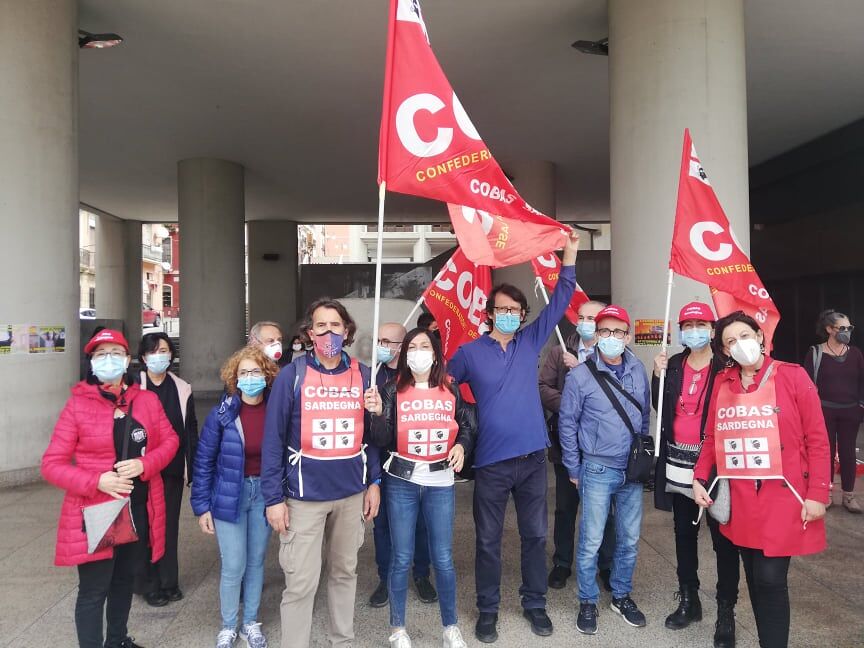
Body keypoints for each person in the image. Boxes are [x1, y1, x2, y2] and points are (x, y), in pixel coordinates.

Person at [447, 230, 580, 642]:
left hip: (533, 459)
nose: (508, 314)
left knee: (534, 535)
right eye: (500, 309)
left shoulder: (530, 341)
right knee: (487, 540)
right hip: (490, 462)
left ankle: (534, 604)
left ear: (522, 315)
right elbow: (440, 387)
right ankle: (487, 610)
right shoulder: (469, 352)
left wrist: (569, 253)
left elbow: (561, 297)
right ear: (489, 313)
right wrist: (462, 425)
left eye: (515, 310)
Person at [693, 311, 830, 648]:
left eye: (744, 336)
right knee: (755, 576)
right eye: (729, 342)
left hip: (784, 496)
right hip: (740, 497)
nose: (739, 344)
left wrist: (818, 493)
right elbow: (711, 438)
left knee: (770, 578)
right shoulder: (723, 384)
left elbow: (818, 439)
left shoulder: (793, 377)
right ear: (724, 351)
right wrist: (698, 477)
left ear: (760, 336)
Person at [41, 329, 179, 648]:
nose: (109, 360)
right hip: (98, 511)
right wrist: (96, 480)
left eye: (115, 353)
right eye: (100, 354)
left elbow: (171, 440)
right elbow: (51, 464)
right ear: (91, 362)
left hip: (138, 507)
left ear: (128, 359)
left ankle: (117, 640)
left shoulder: (146, 400)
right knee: (94, 590)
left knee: (123, 581)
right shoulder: (78, 406)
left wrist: (147, 464)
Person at [261, 298, 382, 648]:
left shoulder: (365, 375)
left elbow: (373, 440)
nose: (329, 332)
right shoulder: (291, 376)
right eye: (321, 326)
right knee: (301, 582)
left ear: (347, 331)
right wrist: (273, 499)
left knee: (345, 573)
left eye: (335, 325)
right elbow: (273, 441)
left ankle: (341, 641)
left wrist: (373, 482)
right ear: (310, 332)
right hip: (303, 499)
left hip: (350, 495)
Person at [365, 327, 478, 648]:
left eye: (424, 346)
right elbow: (382, 439)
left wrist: (462, 446)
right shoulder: (390, 390)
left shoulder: (450, 388)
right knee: (401, 558)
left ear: (436, 352)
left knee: (443, 558)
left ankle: (450, 627)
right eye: (411, 346)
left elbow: (468, 423)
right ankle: (398, 629)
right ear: (404, 355)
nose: (417, 352)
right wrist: (375, 415)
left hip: (441, 482)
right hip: (401, 481)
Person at [558, 305, 651, 636]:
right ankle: (587, 600)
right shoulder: (580, 376)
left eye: (618, 332)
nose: (612, 338)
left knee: (629, 539)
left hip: (632, 471)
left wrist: (642, 455)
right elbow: (567, 425)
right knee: (591, 540)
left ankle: (621, 595)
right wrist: (572, 465)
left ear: (627, 336)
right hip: (596, 468)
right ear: (596, 335)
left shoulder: (637, 370)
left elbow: (643, 417)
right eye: (605, 331)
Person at [652, 303, 740, 647]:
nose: (694, 330)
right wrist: (657, 375)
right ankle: (689, 599)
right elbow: (662, 405)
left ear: (713, 329)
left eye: (701, 324)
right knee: (683, 535)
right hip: (677, 464)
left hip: (716, 466)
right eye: (688, 325)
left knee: (723, 541)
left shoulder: (726, 366)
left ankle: (726, 611)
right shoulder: (673, 364)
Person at [191, 346, 277, 648]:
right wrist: (201, 507)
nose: (250, 377)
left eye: (255, 371)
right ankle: (228, 625)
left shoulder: (276, 411)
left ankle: (250, 622)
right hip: (230, 495)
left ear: (266, 375)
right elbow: (203, 462)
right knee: (234, 564)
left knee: (255, 562)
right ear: (234, 378)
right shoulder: (222, 414)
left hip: (264, 495)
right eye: (244, 373)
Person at [538, 299, 617, 592]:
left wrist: (584, 368)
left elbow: (616, 391)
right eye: (581, 317)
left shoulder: (612, 353)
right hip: (567, 445)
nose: (584, 322)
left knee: (604, 510)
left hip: (602, 448)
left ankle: (606, 565)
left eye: (591, 318)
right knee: (565, 508)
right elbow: (543, 387)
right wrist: (571, 404)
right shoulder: (560, 352)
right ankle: (562, 563)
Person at [369, 323, 437, 609]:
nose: (382, 346)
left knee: (421, 524)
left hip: (416, 463)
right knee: (382, 524)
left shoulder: (420, 377)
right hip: (383, 461)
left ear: (402, 345)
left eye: (388, 341)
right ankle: (385, 578)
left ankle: (421, 574)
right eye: (379, 340)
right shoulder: (372, 376)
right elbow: (369, 433)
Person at [133, 333, 198, 607]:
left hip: (170, 469)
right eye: (154, 351)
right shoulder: (134, 386)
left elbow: (190, 429)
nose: (160, 355)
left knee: (168, 527)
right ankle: (147, 583)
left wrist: (192, 468)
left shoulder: (182, 388)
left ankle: (169, 581)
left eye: (165, 350)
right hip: (141, 471)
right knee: (145, 528)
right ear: (144, 357)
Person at [803, 309, 864, 513]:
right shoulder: (815, 352)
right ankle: (825, 493)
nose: (847, 331)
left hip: (850, 412)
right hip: (824, 411)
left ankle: (849, 496)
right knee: (824, 453)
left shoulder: (855, 353)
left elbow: (862, 381)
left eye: (849, 328)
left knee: (848, 453)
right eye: (842, 328)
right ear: (829, 329)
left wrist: (860, 405)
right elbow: (807, 385)